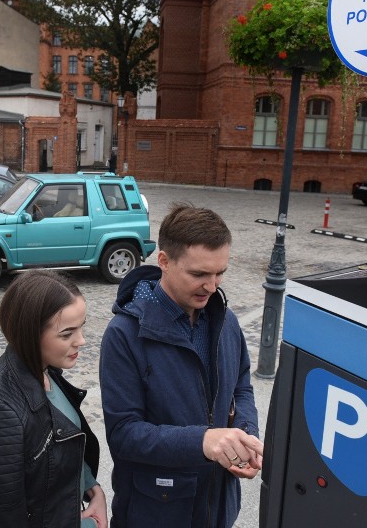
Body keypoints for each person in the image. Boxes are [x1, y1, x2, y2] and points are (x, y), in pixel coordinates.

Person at [99, 203, 263, 527]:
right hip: (157, 513)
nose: (212, 286)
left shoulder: (226, 321)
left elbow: (241, 384)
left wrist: (243, 435)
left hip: (218, 508)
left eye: (220, 273)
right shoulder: (124, 335)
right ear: (164, 261)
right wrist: (204, 441)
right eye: (199, 274)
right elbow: (124, 434)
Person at [0, 270, 107, 528]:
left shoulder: (46, 369)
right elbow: (2, 517)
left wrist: (93, 490)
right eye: (67, 334)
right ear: (29, 333)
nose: (82, 341)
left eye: (81, 327)